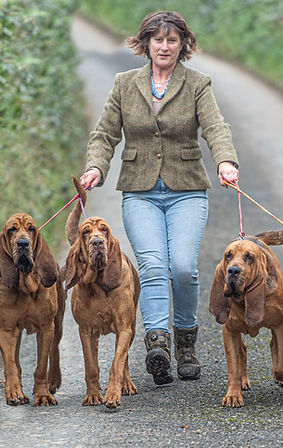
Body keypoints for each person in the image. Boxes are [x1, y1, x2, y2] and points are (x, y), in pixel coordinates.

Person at [79, 11, 239, 385]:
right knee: (152, 267)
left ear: (182, 45)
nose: (164, 46)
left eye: (172, 40)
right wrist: (96, 168)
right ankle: (157, 346)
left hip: (186, 190)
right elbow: (104, 134)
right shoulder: (124, 83)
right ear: (146, 44)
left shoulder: (198, 84)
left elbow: (216, 126)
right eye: (158, 40)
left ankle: (186, 342)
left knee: (182, 267)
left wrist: (226, 161)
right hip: (140, 191)